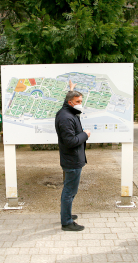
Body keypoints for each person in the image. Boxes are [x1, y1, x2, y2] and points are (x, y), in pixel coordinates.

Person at [55, 80, 91, 231]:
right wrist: (85, 134)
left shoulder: (69, 110)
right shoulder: (66, 117)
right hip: (72, 160)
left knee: (70, 190)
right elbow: (70, 141)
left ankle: (66, 214)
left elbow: (68, 100)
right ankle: (67, 222)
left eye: (81, 101)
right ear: (70, 102)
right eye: (78, 101)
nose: (80, 104)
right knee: (69, 191)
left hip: (73, 158)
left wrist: (71, 89)